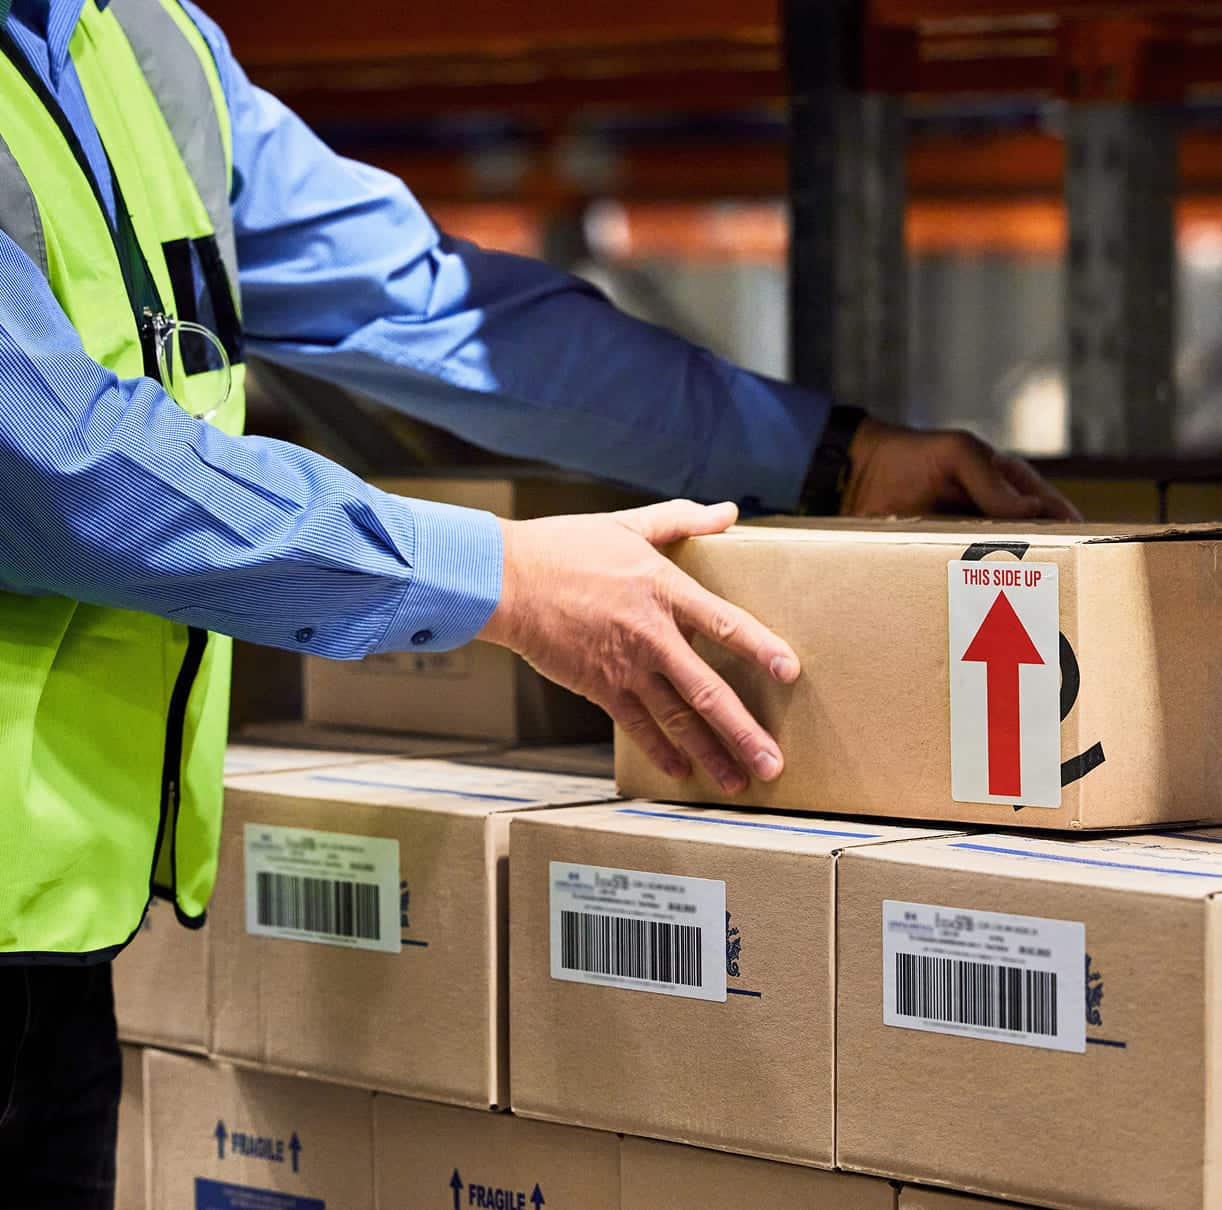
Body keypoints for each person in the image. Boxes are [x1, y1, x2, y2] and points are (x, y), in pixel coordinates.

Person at [0, 0, 1077, 1202]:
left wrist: (830, 456)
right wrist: (502, 578)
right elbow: (60, 469)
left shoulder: (144, 46)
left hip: (55, 938)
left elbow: (425, 304)